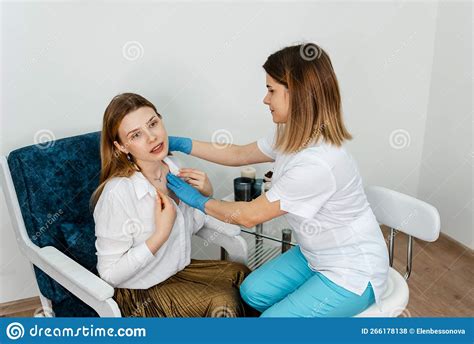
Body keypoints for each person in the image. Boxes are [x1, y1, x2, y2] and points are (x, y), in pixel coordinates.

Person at [166, 43, 389, 317]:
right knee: (251, 293)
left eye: (271, 90)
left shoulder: (318, 163)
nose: (265, 99)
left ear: (297, 94)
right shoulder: (291, 134)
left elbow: (248, 216)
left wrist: (199, 201)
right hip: (314, 256)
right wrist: (181, 143)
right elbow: (238, 154)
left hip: (352, 272)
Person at [91, 93, 253, 317]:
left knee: (243, 277)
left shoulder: (173, 166)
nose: (152, 137)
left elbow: (192, 227)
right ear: (121, 147)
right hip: (139, 292)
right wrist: (160, 235)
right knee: (222, 303)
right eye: (136, 135)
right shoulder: (117, 194)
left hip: (176, 270)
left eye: (153, 124)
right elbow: (108, 274)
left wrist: (205, 195)